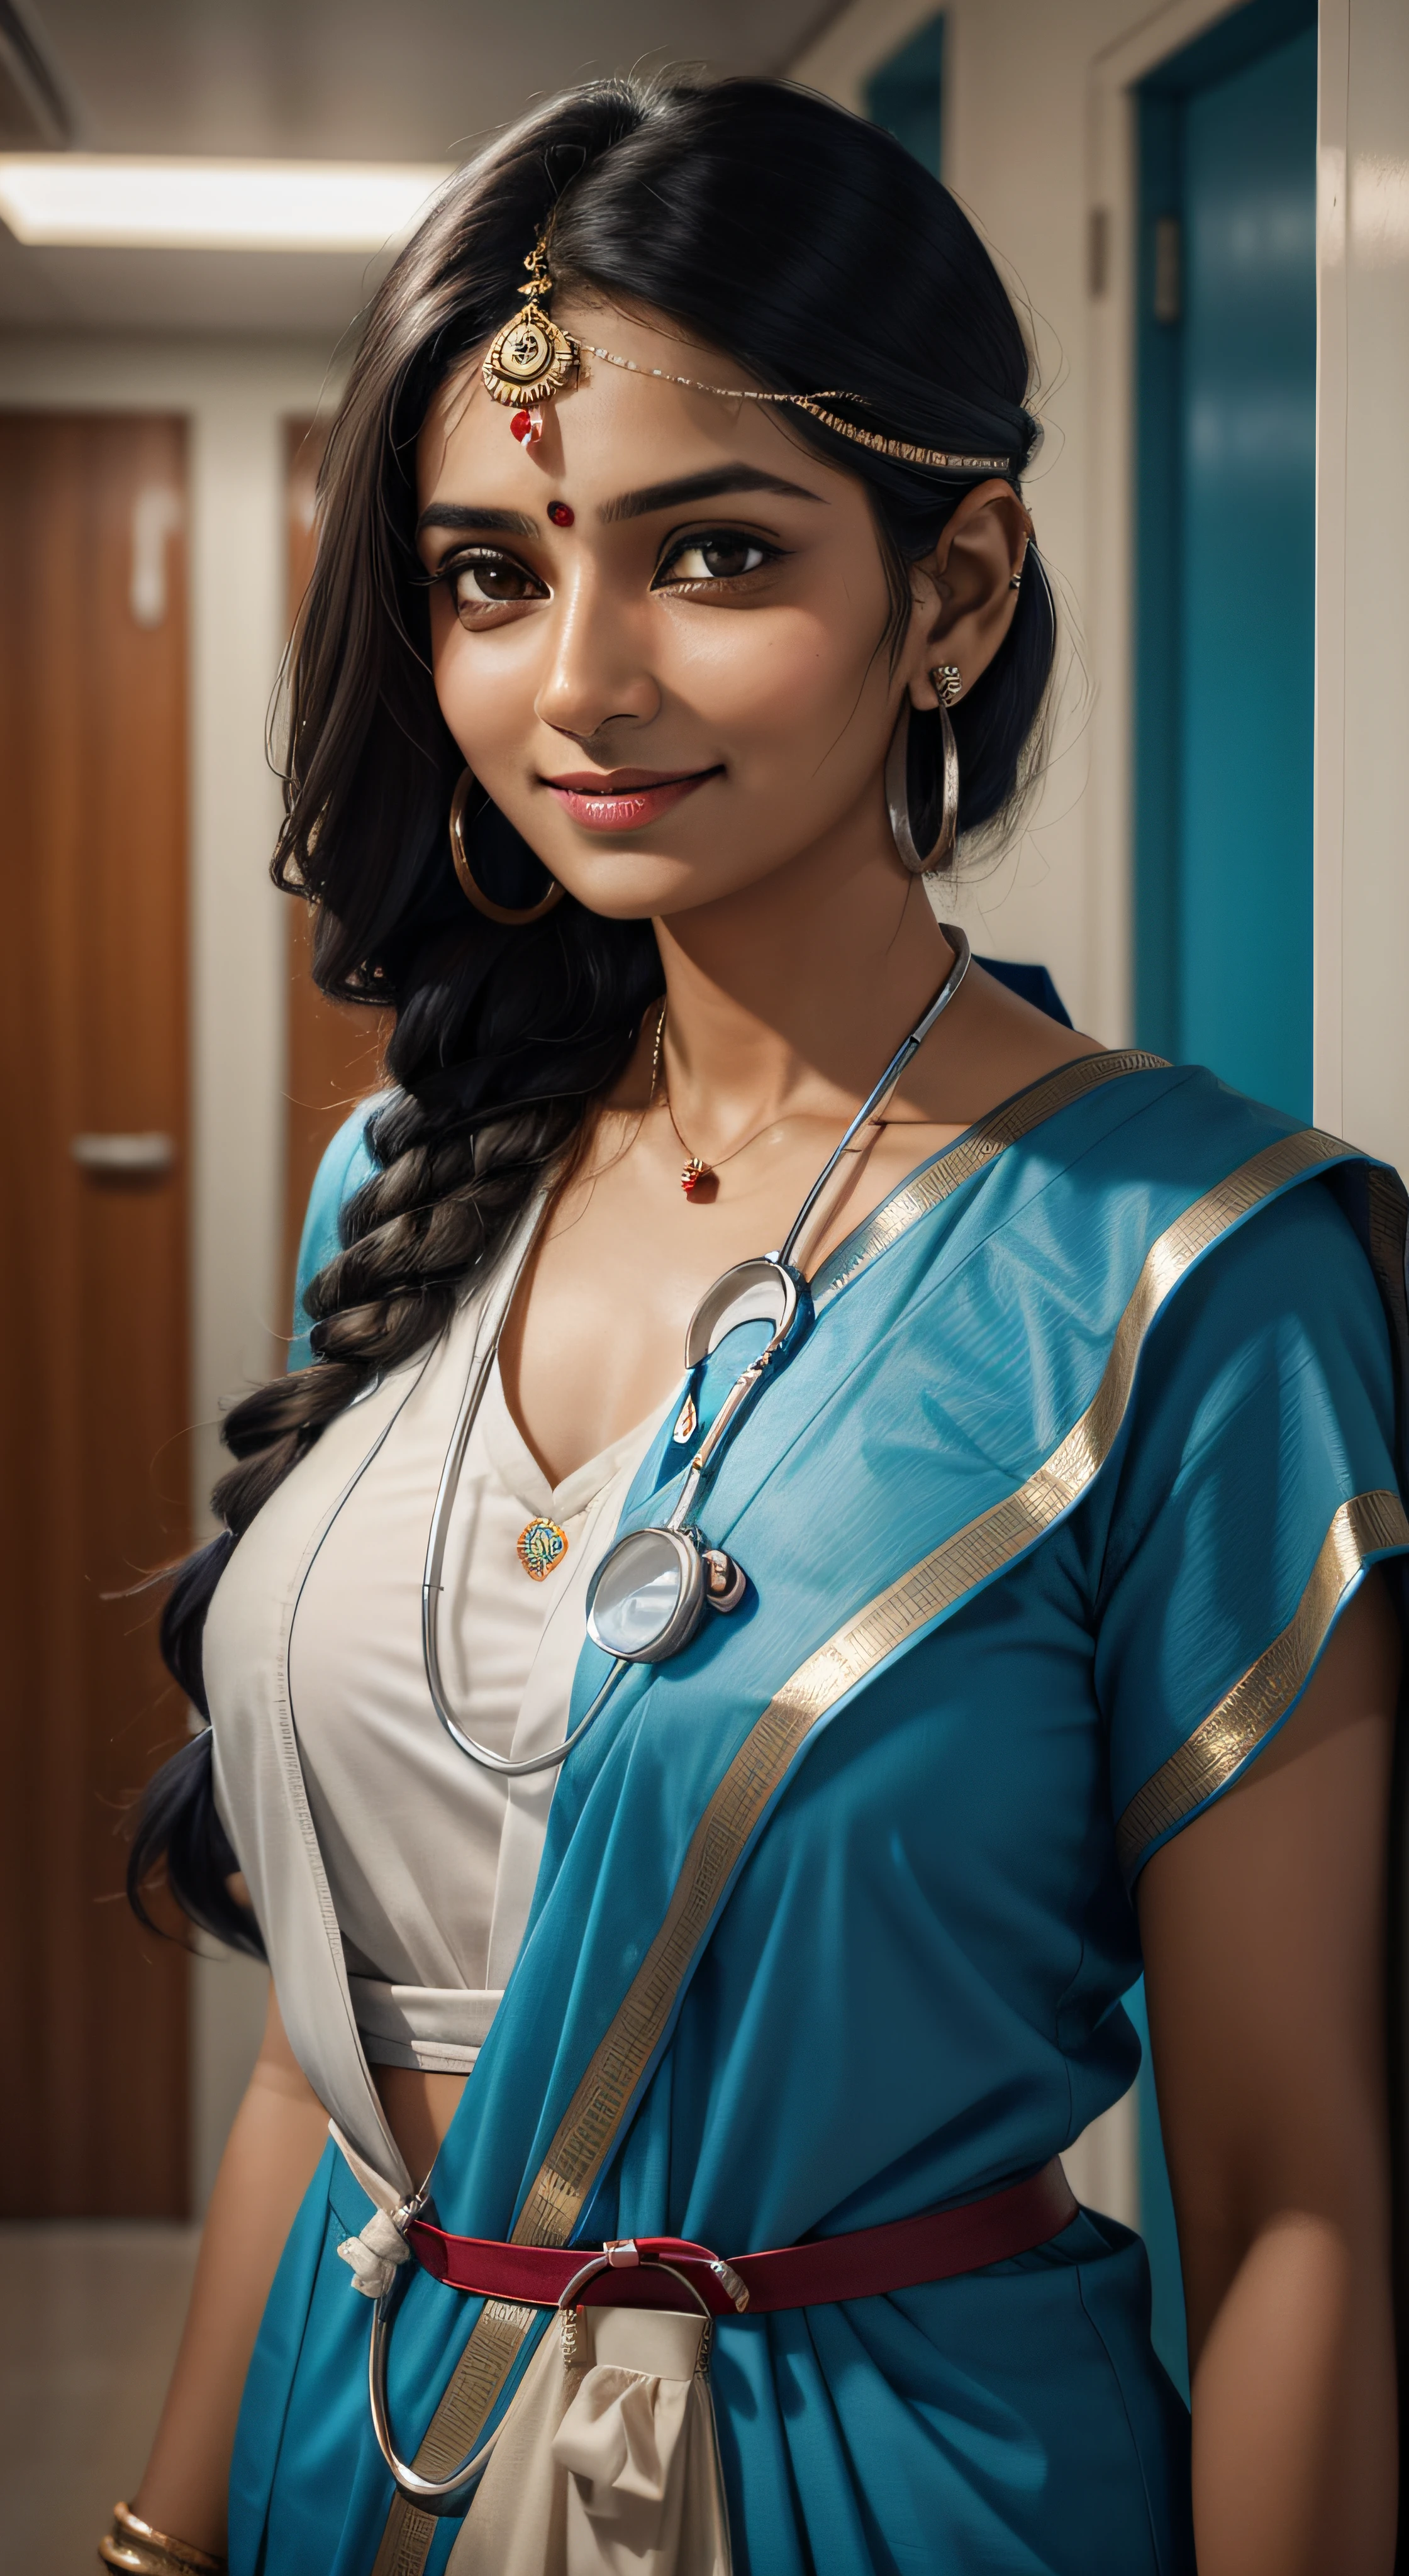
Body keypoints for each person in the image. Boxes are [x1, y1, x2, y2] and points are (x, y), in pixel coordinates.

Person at [111, 74, 1406, 2576]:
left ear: (956, 586)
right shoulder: (398, 1186)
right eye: (489, 577)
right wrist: (158, 2540)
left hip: (888, 2485)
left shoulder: (1193, 1274)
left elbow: (1295, 2209)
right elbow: (328, 2075)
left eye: (707, 551)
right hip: (346, 2456)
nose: (578, 679)